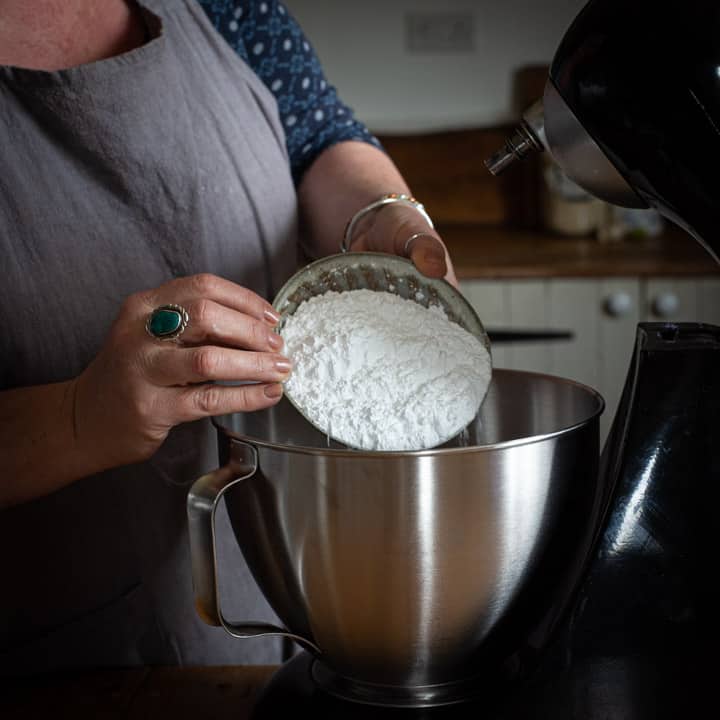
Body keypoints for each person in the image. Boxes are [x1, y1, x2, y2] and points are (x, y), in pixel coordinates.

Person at [0, 0, 458, 675]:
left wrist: (382, 219)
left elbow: (319, 139)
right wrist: (77, 418)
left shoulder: (227, 4)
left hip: (273, 597)